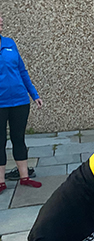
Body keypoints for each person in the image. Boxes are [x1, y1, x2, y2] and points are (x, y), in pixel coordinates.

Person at [0, 14, 43, 195]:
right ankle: (1, 182)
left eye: (1, 19)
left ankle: (25, 177)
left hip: (19, 101)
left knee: (19, 138)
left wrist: (34, 94)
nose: (1, 21)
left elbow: (22, 71)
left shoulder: (9, 43)